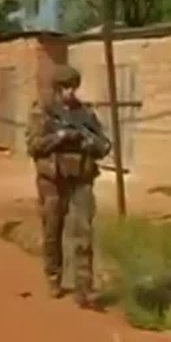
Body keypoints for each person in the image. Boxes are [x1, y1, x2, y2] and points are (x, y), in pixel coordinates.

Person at [25, 64, 112, 309]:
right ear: (57, 89)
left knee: (83, 232)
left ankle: (84, 288)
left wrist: (85, 141)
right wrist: (59, 137)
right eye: (65, 87)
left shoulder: (85, 115)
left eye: (73, 87)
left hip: (81, 180)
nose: (70, 92)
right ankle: (53, 277)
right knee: (53, 230)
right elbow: (33, 146)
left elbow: (104, 146)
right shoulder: (43, 113)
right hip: (52, 180)